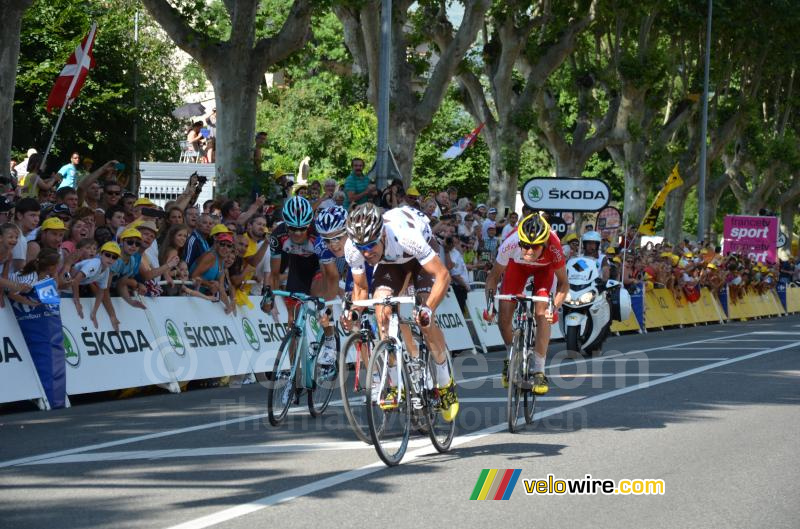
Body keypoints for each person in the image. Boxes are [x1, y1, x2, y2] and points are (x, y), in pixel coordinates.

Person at [342, 203, 459, 422]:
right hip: (391, 263)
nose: (366, 252)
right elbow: (361, 289)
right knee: (382, 309)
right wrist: (354, 313)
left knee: (425, 320)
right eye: (361, 247)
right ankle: (396, 384)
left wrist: (427, 308)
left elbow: (443, 276)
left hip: (420, 257)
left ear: (382, 233)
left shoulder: (406, 236)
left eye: (371, 245)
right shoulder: (353, 247)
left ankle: (445, 382)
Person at [483, 213, 568, 395]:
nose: (528, 251)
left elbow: (564, 283)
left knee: (542, 313)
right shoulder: (511, 242)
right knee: (504, 315)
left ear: (544, 243)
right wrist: (489, 305)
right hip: (517, 267)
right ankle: (510, 357)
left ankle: (539, 370)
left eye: (534, 247)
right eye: (525, 246)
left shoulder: (554, 246)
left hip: (545, 271)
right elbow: (493, 277)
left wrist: (555, 307)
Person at [262, 196, 339, 367]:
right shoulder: (278, 235)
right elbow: (275, 274)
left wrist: (326, 304)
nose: (297, 233)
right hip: (297, 268)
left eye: (302, 228)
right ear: (286, 224)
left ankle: (329, 340)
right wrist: (271, 297)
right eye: (293, 228)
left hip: (319, 268)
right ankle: (293, 374)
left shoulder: (317, 234)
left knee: (319, 299)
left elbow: (329, 274)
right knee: (292, 323)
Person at [70, 241, 122, 331]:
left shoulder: (106, 269)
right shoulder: (95, 263)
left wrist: (94, 313)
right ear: (101, 254)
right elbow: (75, 281)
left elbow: (101, 293)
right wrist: (77, 302)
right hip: (64, 283)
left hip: (69, 286)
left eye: (114, 257)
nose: (110, 259)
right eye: (108, 255)